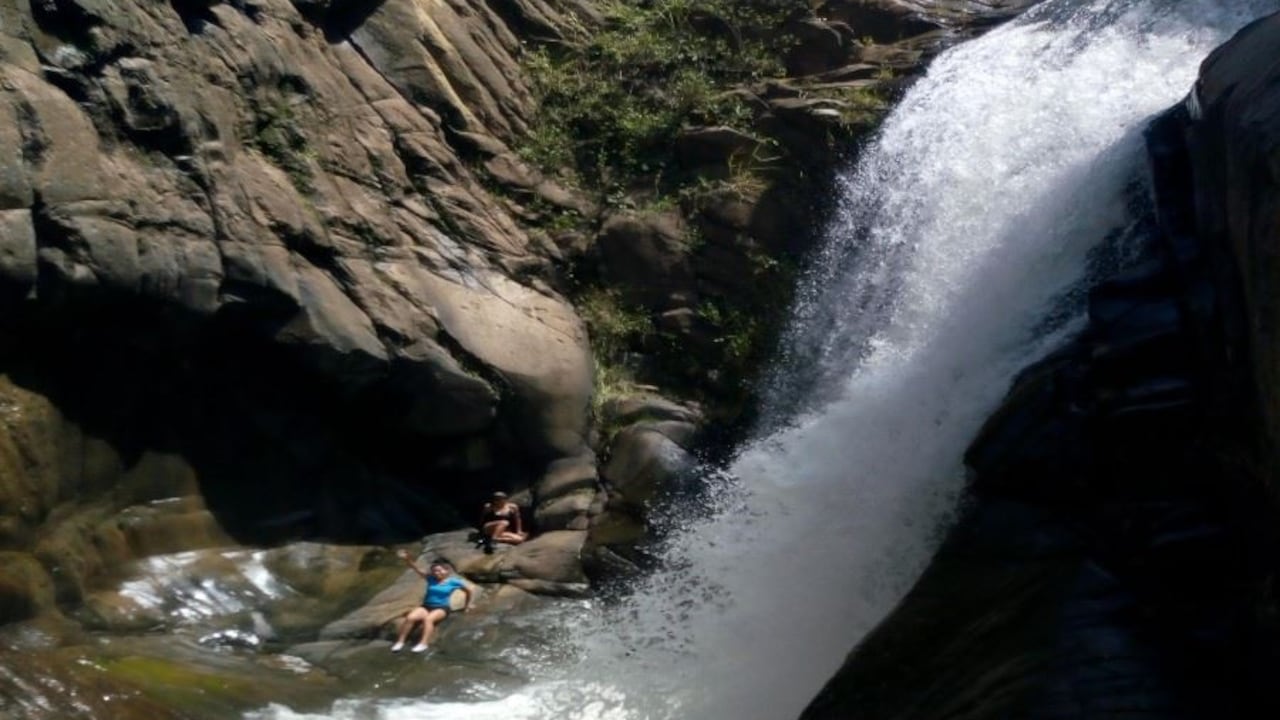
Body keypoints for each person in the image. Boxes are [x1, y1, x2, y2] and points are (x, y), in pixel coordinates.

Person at [391, 550, 472, 653]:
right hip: (426, 606)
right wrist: (407, 559)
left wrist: (467, 605)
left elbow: (468, 591)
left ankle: (423, 643)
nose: (437, 573)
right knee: (410, 617)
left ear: (446, 571)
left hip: (442, 608)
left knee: (428, 619)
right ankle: (400, 642)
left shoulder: (454, 582)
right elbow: (416, 568)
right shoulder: (431, 579)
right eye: (434, 571)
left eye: (439, 570)